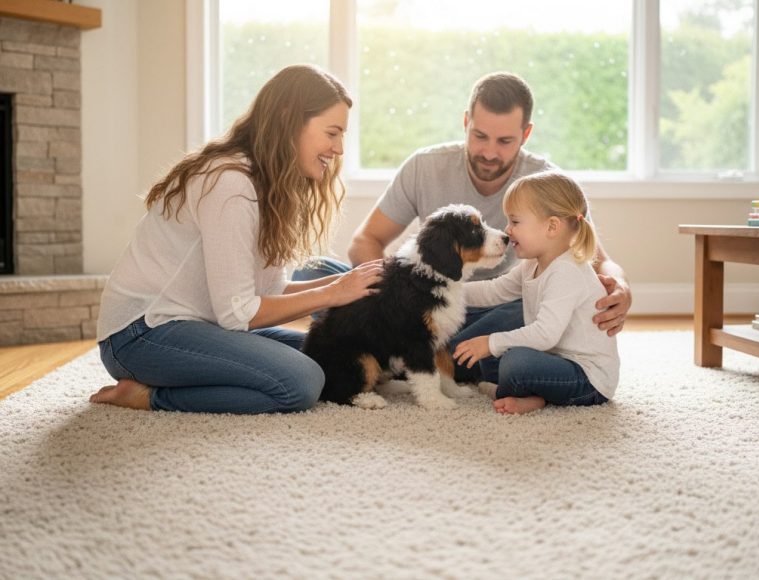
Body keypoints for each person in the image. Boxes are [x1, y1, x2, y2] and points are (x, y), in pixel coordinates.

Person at [297, 71, 630, 380]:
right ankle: (409, 353)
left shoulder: (544, 182)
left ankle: (413, 358)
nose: (488, 152)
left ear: (525, 134)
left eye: (504, 141)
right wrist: (393, 299)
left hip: (492, 309)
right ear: (466, 122)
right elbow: (366, 239)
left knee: (532, 311)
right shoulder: (425, 166)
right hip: (420, 299)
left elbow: (598, 259)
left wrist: (619, 285)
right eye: (480, 136)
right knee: (314, 272)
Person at [90, 65, 383, 414]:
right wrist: (333, 293)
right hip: (140, 334)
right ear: (289, 121)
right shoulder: (231, 183)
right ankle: (150, 397)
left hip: (202, 325)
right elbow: (238, 314)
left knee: (332, 359)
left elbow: (266, 294)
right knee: (300, 382)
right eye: (332, 133)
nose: (339, 149)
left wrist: (351, 283)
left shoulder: (273, 188)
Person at [453, 171, 619, 414]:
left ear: (552, 226)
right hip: (553, 359)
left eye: (515, 222)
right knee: (495, 350)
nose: (507, 230)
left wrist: (491, 343)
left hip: (587, 378)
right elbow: (493, 291)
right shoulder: (533, 264)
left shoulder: (567, 271)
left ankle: (531, 396)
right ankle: (533, 392)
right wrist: (448, 291)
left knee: (514, 362)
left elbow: (545, 335)